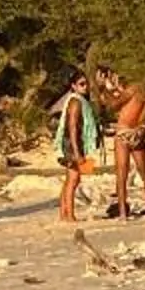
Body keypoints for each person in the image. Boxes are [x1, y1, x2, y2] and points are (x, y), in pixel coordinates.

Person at [108, 70, 145, 218]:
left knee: (123, 174)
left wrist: (107, 90)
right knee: (144, 174)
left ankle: (124, 211)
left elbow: (114, 105)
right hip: (136, 132)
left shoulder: (134, 89)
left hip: (126, 132)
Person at [51, 73, 100, 223]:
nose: (85, 87)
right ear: (73, 86)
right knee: (73, 179)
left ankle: (64, 213)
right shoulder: (75, 102)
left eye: (86, 84)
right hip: (73, 144)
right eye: (81, 84)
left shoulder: (81, 101)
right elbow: (72, 127)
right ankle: (69, 215)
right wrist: (77, 152)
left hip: (77, 143)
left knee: (71, 180)